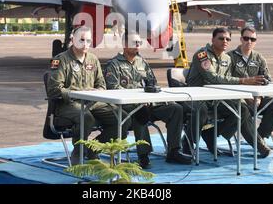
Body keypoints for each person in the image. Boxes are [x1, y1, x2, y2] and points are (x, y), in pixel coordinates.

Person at [104, 33, 193, 168]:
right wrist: (139, 100)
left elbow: (153, 83)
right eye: (134, 43)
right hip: (129, 107)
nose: (138, 45)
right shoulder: (113, 65)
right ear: (125, 45)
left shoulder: (142, 62)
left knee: (176, 109)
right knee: (141, 113)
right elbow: (113, 89)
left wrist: (151, 94)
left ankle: (174, 150)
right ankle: (143, 155)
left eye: (139, 43)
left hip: (150, 104)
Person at [46, 26, 131, 165]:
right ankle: (79, 151)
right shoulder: (60, 60)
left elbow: (102, 85)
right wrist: (79, 93)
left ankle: (94, 149)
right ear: (73, 39)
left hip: (93, 102)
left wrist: (96, 93)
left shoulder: (93, 59)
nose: (85, 44)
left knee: (123, 119)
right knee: (85, 117)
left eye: (88, 41)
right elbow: (54, 90)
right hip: (69, 104)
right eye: (82, 40)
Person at [185, 27, 272, 158]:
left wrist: (245, 97)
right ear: (212, 39)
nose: (225, 41)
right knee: (201, 111)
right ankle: (187, 144)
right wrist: (245, 81)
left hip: (216, 99)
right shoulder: (202, 55)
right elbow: (212, 78)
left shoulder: (227, 58)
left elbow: (229, 82)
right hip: (196, 97)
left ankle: (212, 133)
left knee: (242, 109)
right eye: (221, 38)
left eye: (228, 39)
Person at [228, 26, 273, 142]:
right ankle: (256, 142)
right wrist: (245, 96)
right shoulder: (230, 57)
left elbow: (267, 79)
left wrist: (259, 96)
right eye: (246, 38)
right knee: (243, 110)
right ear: (241, 39)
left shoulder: (259, 58)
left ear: (255, 42)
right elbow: (226, 80)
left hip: (256, 99)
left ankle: (259, 137)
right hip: (238, 100)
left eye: (252, 39)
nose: (249, 42)